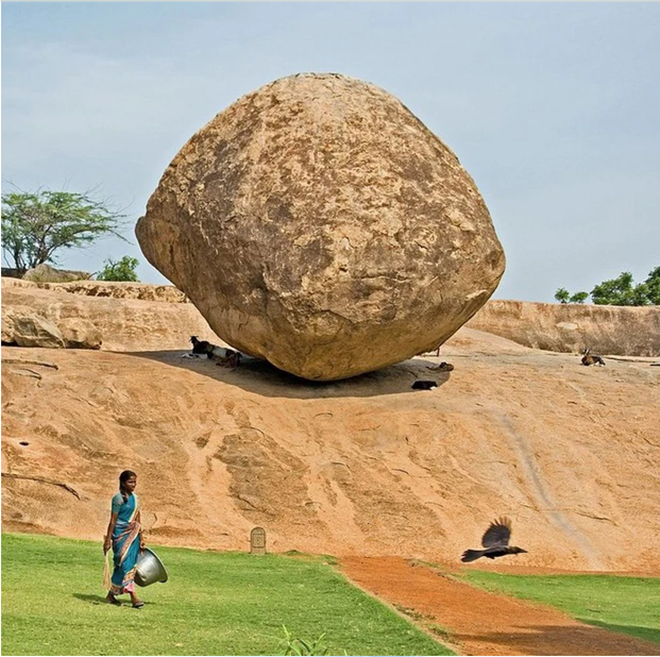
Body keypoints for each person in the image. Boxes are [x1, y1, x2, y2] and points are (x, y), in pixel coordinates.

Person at [103, 470, 146, 608]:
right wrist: (108, 539)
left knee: (126, 565)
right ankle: (133, 597)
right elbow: (113, 520)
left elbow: (137, 518)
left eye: (135, 482)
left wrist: (141, 536)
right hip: (120, 535)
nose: (133, 484)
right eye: (130, 482)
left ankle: (111, 595)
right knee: (123, 563)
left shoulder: (136, 498)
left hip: (133, 535)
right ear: (122, 483)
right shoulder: (118, 499)